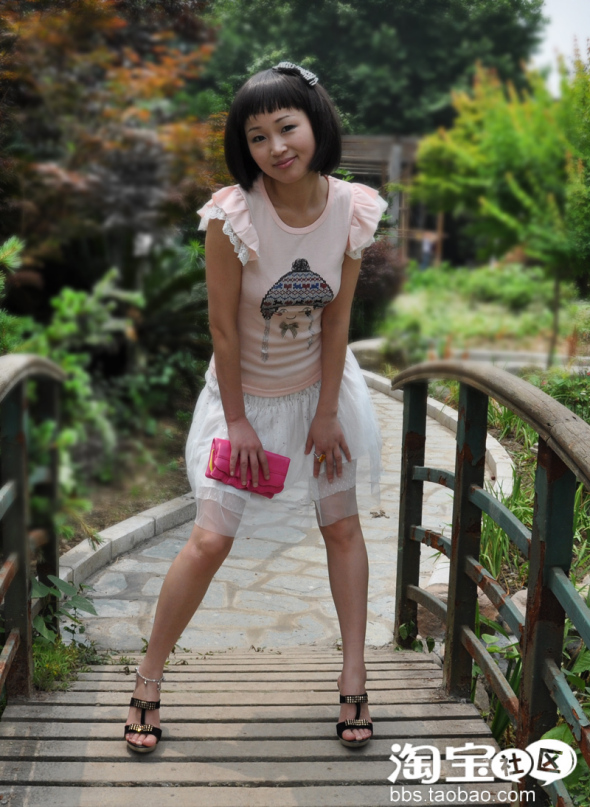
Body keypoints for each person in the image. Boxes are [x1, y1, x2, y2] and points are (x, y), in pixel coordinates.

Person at [123, 62, 387, 754]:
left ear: (315, 124)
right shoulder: (233, 215)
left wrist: (327, 413)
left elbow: (337, 320)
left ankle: (354, 678)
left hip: (319, 396)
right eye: (258, 136)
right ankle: (148, 678)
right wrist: (238, 422)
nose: (276, 147)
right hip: (242, 403)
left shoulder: (351, 208)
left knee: (341, 526)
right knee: (211, 538)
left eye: (286, 127)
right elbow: (222, 329)